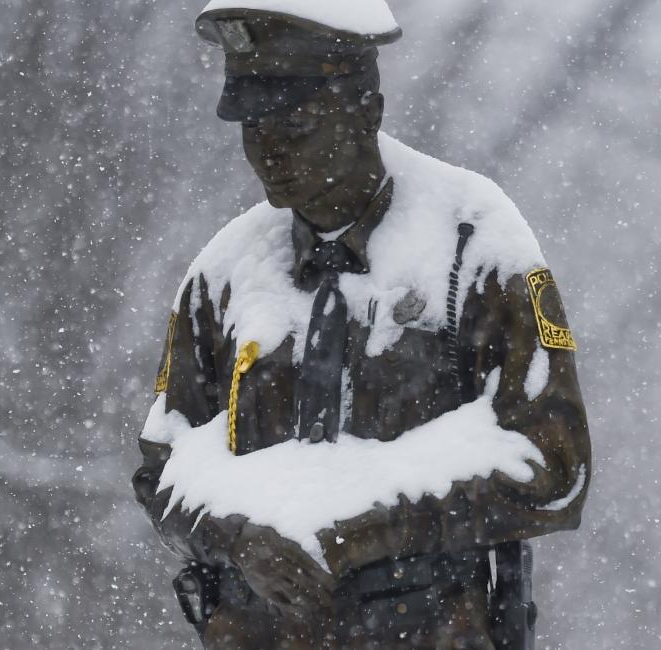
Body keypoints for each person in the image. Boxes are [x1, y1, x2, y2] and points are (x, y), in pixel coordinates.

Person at [132, 1, 591, 648]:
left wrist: (359, 529)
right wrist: (238, 536)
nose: (268, 150)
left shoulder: (470, 244)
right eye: (251, 125)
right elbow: (161, 467)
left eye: (294, 125)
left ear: (366, 112)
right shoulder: (226, 272)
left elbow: (552, 462)